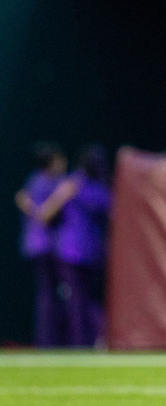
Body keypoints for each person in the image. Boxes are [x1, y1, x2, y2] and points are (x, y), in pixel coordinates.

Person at [38, 145, 112, 347]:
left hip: (77, 252)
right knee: (79, 300)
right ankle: (81, 343)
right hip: (79, 252)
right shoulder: (81, 185)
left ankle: (83, 342)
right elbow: (46, 213)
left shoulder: (78, 184)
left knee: (80, 301)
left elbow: (46, 213)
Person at [14, 143, 67, 347]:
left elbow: (20, 198)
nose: (63, 164)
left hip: (34, 245)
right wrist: (61, 196)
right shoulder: (48, 182)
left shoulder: (33, 180)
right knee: (50, 294)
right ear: (52, 162)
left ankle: (47, 340)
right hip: (46, 245)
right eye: (60, 160)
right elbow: (44, 214)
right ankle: (48, 341)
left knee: (47, 294)